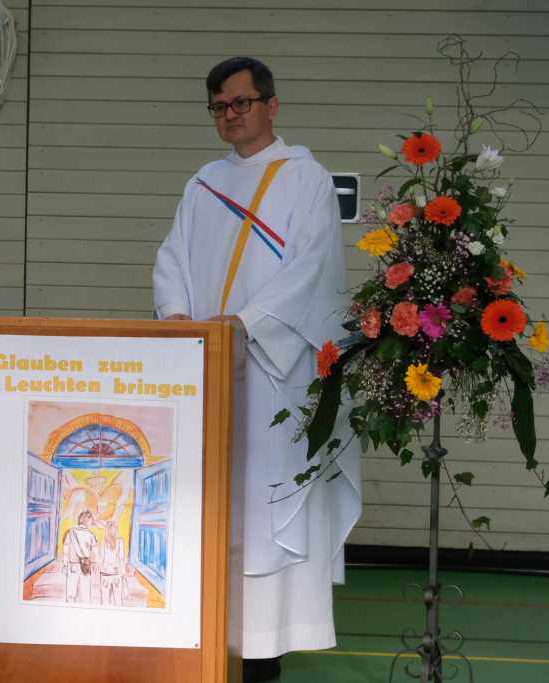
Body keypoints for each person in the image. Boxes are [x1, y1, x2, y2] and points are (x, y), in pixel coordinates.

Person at [152, 57, 361, 683]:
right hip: (208, 375)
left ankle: (263, 651)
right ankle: (205, 642)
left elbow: (311, 269)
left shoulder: (306, 179)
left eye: (241, 103)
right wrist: (179, 316)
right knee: (211, 509)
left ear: (272, 105)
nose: (230, 115)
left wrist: (244, 324)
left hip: (274, 376)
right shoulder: (204, 183)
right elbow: (172, 259)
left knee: (263, 511)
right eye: (219, 106)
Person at [61, 510, 98, 604]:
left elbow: (65, 550)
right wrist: (94, 564)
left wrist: (64, 564)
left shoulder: (71, 533)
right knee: (85, 593)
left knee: (71, 592)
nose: (92, 522)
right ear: (86, 520)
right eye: (91, 520)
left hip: (73, 565)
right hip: (86, 565)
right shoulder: (91, 535)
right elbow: (95, 553)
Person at [98, 519, 128, 606]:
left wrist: (100, 568)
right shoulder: (120, 542)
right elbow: (121, 558)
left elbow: (101, 557)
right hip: (116, 572)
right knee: (118, 600)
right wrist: (123, 572)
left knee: (105, 600)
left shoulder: (103, 542)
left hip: (105, 572)